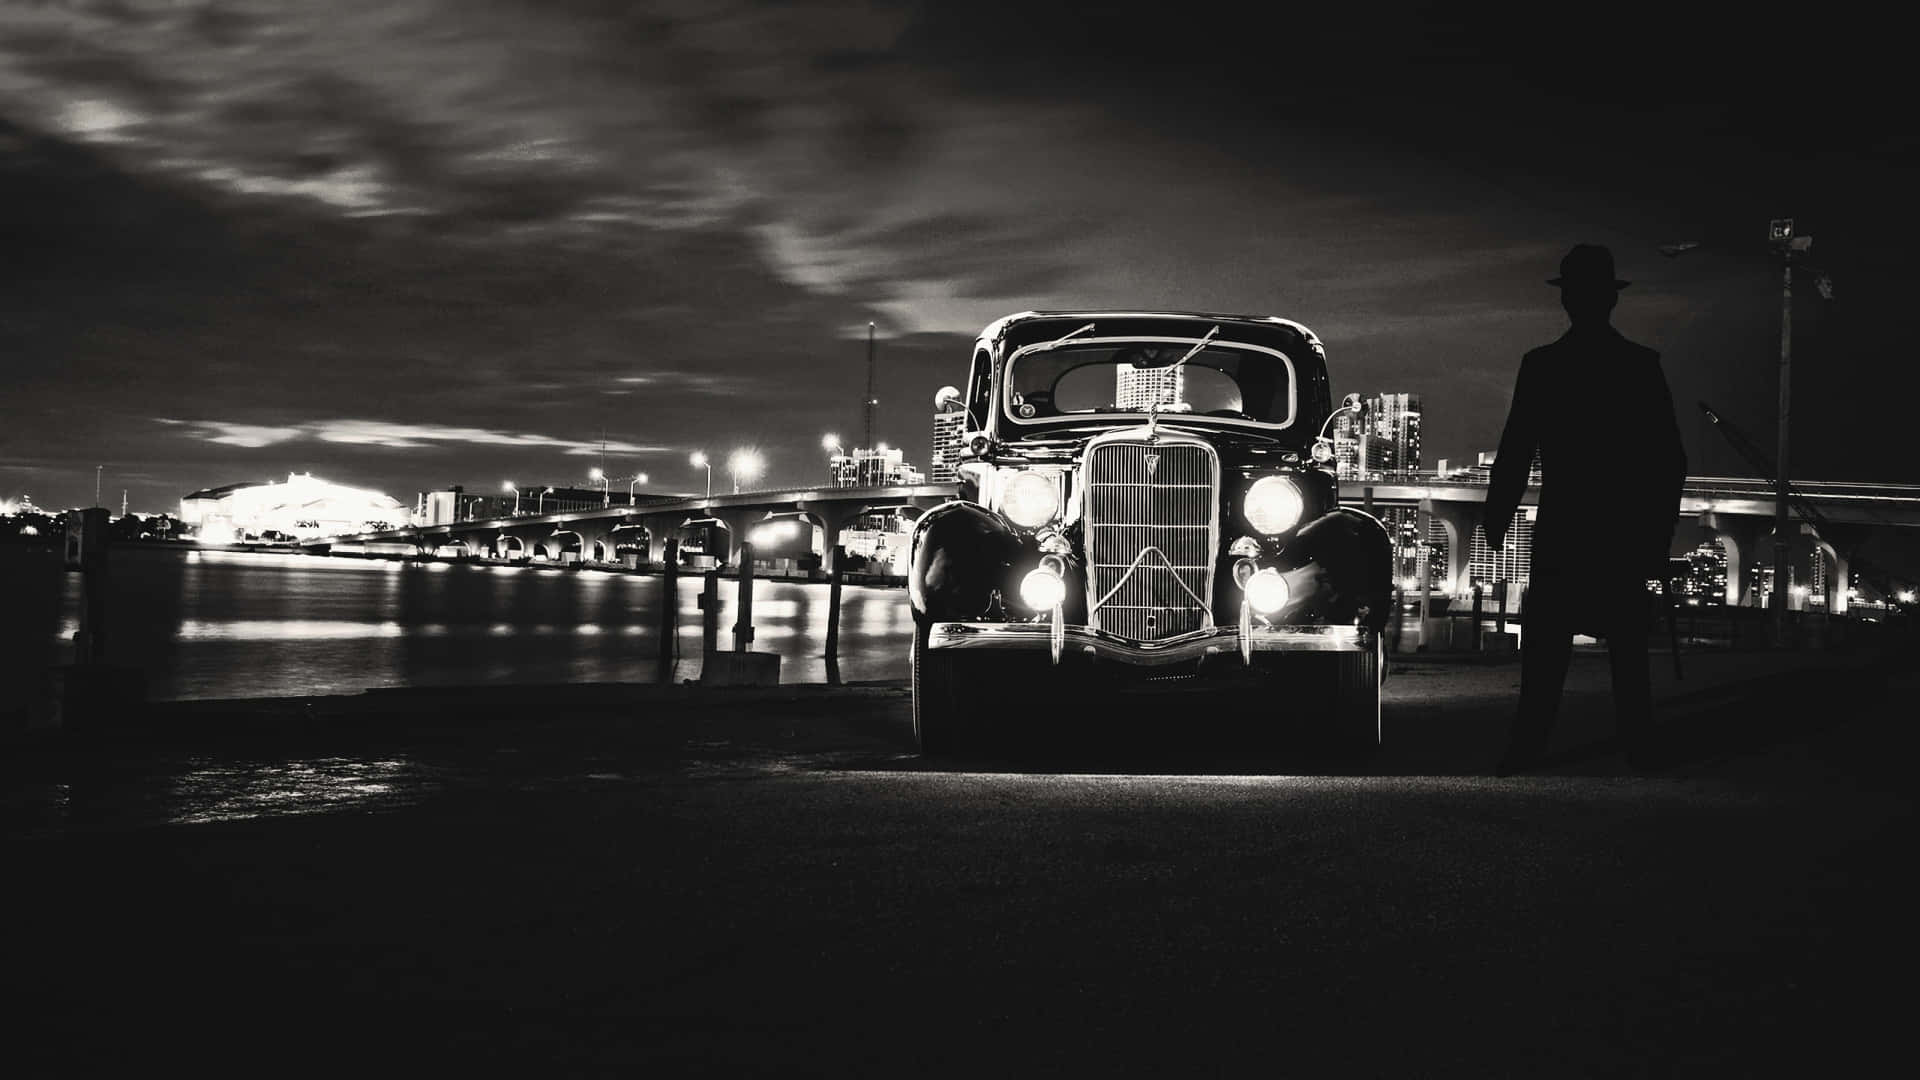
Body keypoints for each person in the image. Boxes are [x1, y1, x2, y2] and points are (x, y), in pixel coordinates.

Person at [1487, 244, 1687, 774]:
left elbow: (1515, 449)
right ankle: (1640, 752)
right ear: (1610, 301)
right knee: (1627, 654)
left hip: (1563, 525)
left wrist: (1496, 518)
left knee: (1546, 652)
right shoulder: (1640, 366)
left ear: (1568, 301)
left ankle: (1527, 750)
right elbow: (1669, 462)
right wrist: (1657, 536)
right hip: (1620, 530)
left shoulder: (1543, 366)